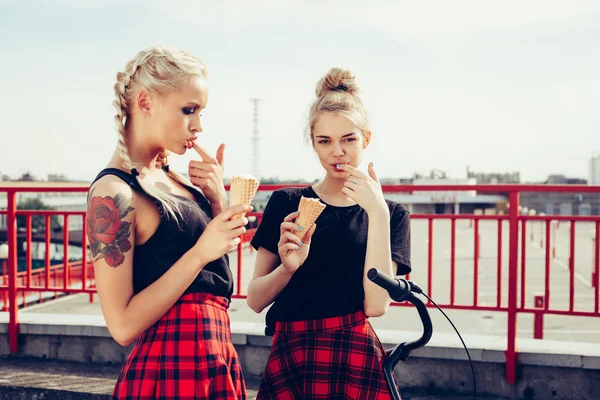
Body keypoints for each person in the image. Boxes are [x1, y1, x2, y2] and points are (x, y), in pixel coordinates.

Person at [86, 45, 249, 399]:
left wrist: (216, 198)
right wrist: (200, 253)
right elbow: (122, 325)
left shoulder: (177, 180)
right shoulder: (112, 193)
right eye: (188, 110)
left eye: (200, 111)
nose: (198, 125)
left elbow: (217, 277)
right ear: (145, 102)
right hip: (170, 368)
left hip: (215, 356)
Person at [247, 67, 411, 399]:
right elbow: (255, 299)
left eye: (348, 139)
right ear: (314, 143)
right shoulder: (287, 202)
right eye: (325, 141)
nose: (337, 151)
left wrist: (376, 212)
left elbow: (376, 306)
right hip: (292, 349)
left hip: (355, 350)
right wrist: (288, 267)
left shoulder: (391, 214)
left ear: (366, 139)